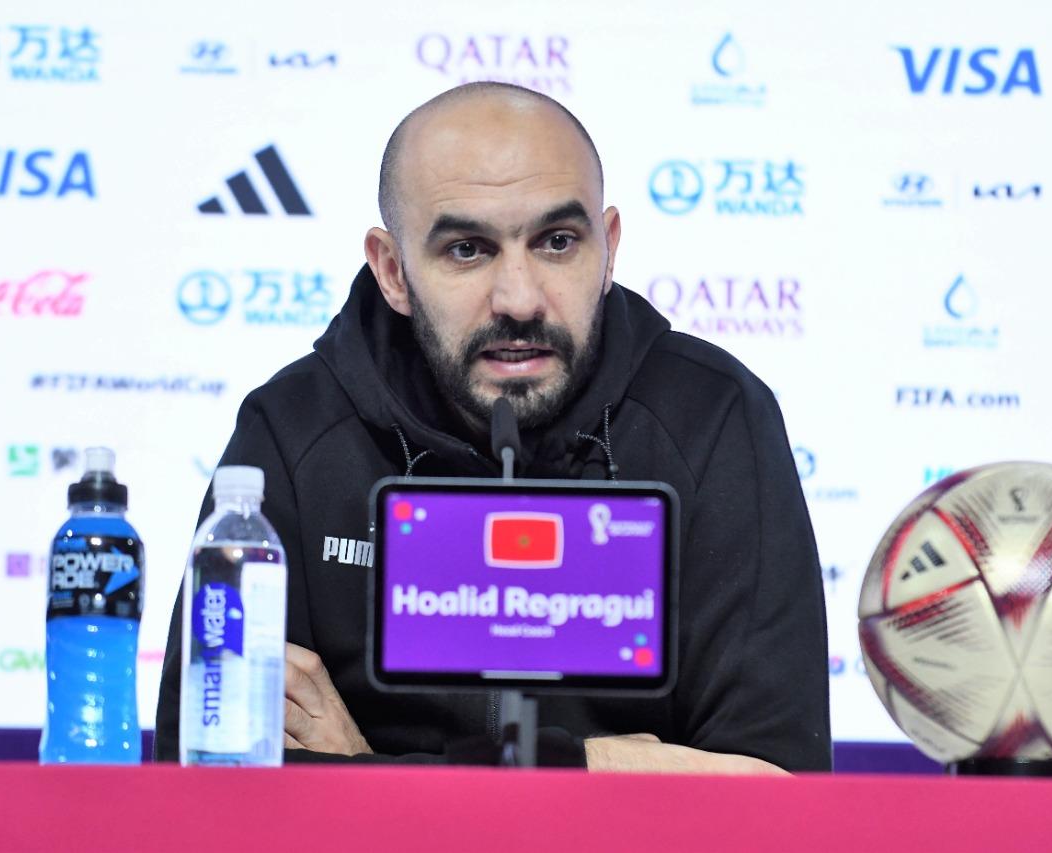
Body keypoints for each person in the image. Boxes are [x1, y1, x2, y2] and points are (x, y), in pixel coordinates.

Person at [155, 82, 831, 773]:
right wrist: (612, 766)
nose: (519, 299)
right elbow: (207, 781)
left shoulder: (711, 418)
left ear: (609, 247)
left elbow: (775, 791)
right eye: (468, 250)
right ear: (392, 270)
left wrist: (365, 769)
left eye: (558, 242)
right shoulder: (295, 431)